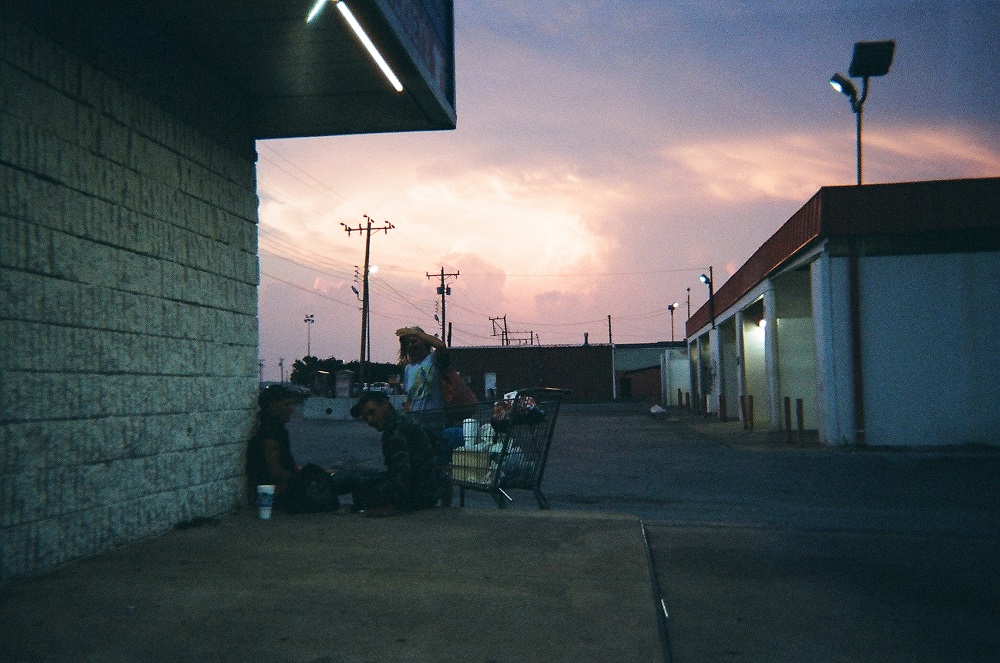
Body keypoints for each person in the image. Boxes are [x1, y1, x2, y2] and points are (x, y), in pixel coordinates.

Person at [332, 390, 445, 517]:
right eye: (365, 417)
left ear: (385, 404)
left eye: (372, 412)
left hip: (417, 494)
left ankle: (323, 488)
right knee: (360, 475)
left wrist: (391, 507)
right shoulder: (404, 419)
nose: (369, 420)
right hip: (424, 488)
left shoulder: (394, 428)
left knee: (357, 482)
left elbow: (401, 473)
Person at [246, 384, 339, 513]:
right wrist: (303, 479)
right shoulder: (269, 435)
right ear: (273, 406)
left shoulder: (276, 430)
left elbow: (289, 464)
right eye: (287, 405)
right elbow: (275, 472)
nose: (291, 409)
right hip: (280, 494)